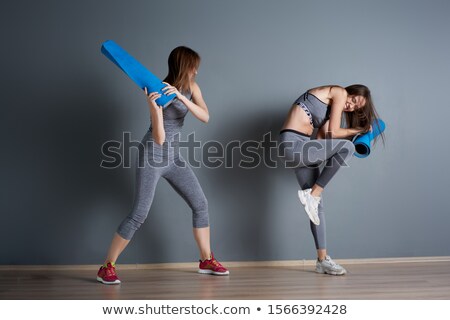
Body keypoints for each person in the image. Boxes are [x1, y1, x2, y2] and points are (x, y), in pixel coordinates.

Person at [97, 46, 229, 285]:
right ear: (184, 65)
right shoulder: (156, 90)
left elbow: (205, 116)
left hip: (174, 157)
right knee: (139, 213)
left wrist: (180, 97)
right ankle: (107, 266)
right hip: (152, 155)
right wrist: (155, 109)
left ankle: (206, 260)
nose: (196, 70)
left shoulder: (191, 88)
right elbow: (159, 138)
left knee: (200, 204)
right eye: (193, 65)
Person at [279, 84, 384, 275]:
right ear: (349, 92)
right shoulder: (338, 91)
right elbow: (335, 133)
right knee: (347, 148)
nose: (351, 106)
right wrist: (357, 131)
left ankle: (322, 260)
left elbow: (324, 139)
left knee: (316, 208)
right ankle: (314, 194)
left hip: (305, 148)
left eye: (356, 107)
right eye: (353, 100)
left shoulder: (328, 112)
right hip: (292, 145)